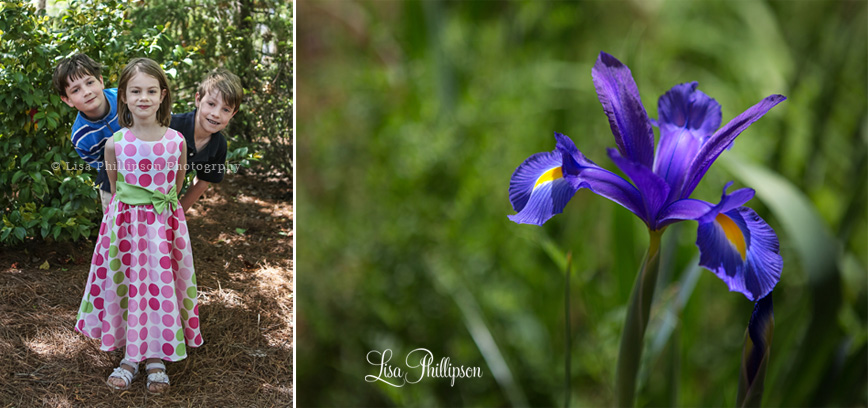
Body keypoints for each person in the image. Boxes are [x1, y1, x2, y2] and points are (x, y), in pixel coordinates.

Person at [74, 57, 202, 394]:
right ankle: (131, 357)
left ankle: (156, 355)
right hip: (127, 229)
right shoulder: (115, 144)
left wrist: (161, 217)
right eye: (135, 91)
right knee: (132, 286)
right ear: (125, 98)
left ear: (162, 95)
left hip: (162, 231)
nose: (143, 97)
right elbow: (117, 190)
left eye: (150, 91)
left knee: (160, 288)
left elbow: (175, 185)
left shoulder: (176, 141)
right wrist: (126, 221)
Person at [52, 54, 120, 212]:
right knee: (115, 221)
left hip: (149, 161)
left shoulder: (125, 99)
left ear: (101, 81)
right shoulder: (81, 137)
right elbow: (98, 164)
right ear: (67, 100)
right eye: (76, 90)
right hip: (113, 176)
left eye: (90, 82)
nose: (87, 92)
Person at [170, 68, 243, 210]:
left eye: (226, 109)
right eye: (211, 104)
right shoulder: (171, 126)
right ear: (198, 100)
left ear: (233, 114)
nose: (216, 114)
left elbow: (203, 181)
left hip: (165, 202)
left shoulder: (219, 145)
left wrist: (177, 214)